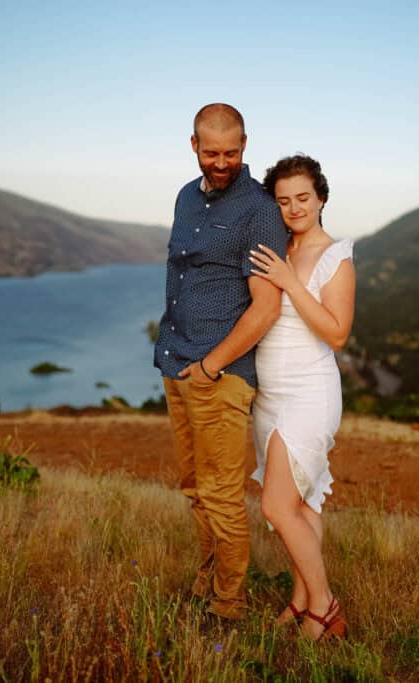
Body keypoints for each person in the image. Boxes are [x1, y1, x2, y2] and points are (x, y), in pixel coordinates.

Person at [154, 103, 289, 620]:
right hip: (177, 362)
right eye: (211, 152)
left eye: (231, 152)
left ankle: (227, 607)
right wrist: (181, 359)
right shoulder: (186, 197)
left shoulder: (258, 209)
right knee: (195, 490)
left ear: (245, 145)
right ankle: (206, 582)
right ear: (194, 146)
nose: (221, 162)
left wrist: (212, 366)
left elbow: (267, 306)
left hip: (221, 373)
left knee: (222, 495)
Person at [247, 154, 355, 640]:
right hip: (270, 394)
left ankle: (326, 605)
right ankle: (300, 598)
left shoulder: (335, 256)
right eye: (283, 200)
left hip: (310, 393)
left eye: (303, 198)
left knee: (276, 505)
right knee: (304, 505)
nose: (293, 208)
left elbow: (336, 335)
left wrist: (291, 281)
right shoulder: (274, 246)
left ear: (321, 199)